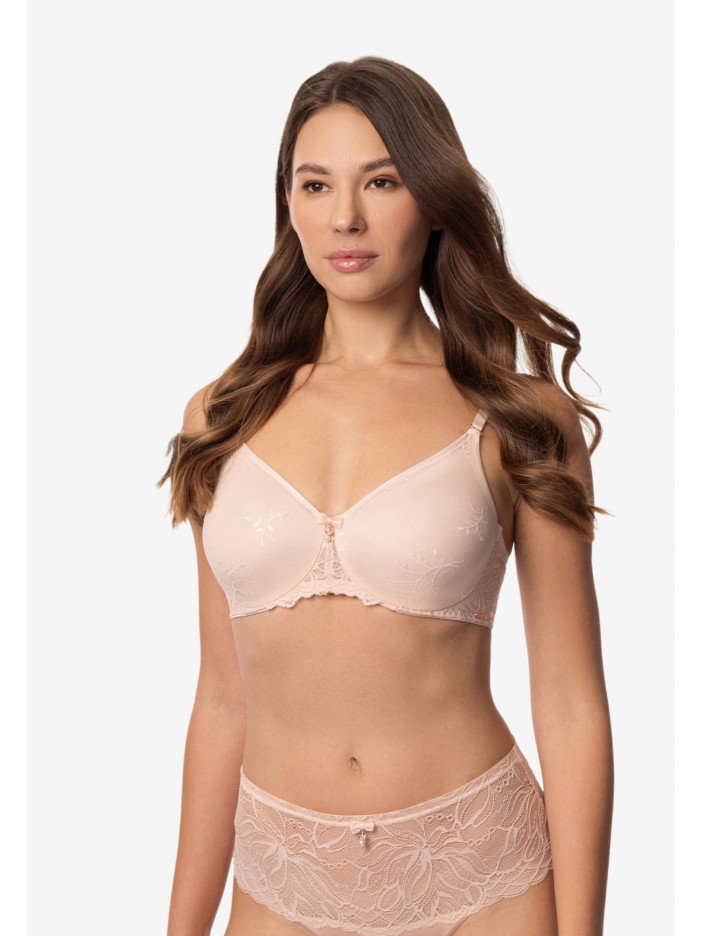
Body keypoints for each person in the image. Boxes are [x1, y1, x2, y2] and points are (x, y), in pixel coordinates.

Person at [158, 56, 614, 936]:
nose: (346, 217)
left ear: (434, 199)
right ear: (288, 205)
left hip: (483, 876)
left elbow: (570, 700)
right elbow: (221, 698)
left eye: (382, 180)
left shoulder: (516, 418)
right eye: (315, 184)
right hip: (283, 881)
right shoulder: (222, 416)